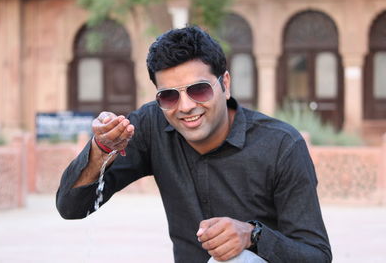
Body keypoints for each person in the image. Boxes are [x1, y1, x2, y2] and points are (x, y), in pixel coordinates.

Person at [56, 26, 332, 263]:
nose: (186, 106)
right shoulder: (151, 126)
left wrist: (253, 236)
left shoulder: (281, 145)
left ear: (225, 84)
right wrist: (101, 149)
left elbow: (316, 255)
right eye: (168, 96)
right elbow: (73, 208)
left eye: (198, 89)